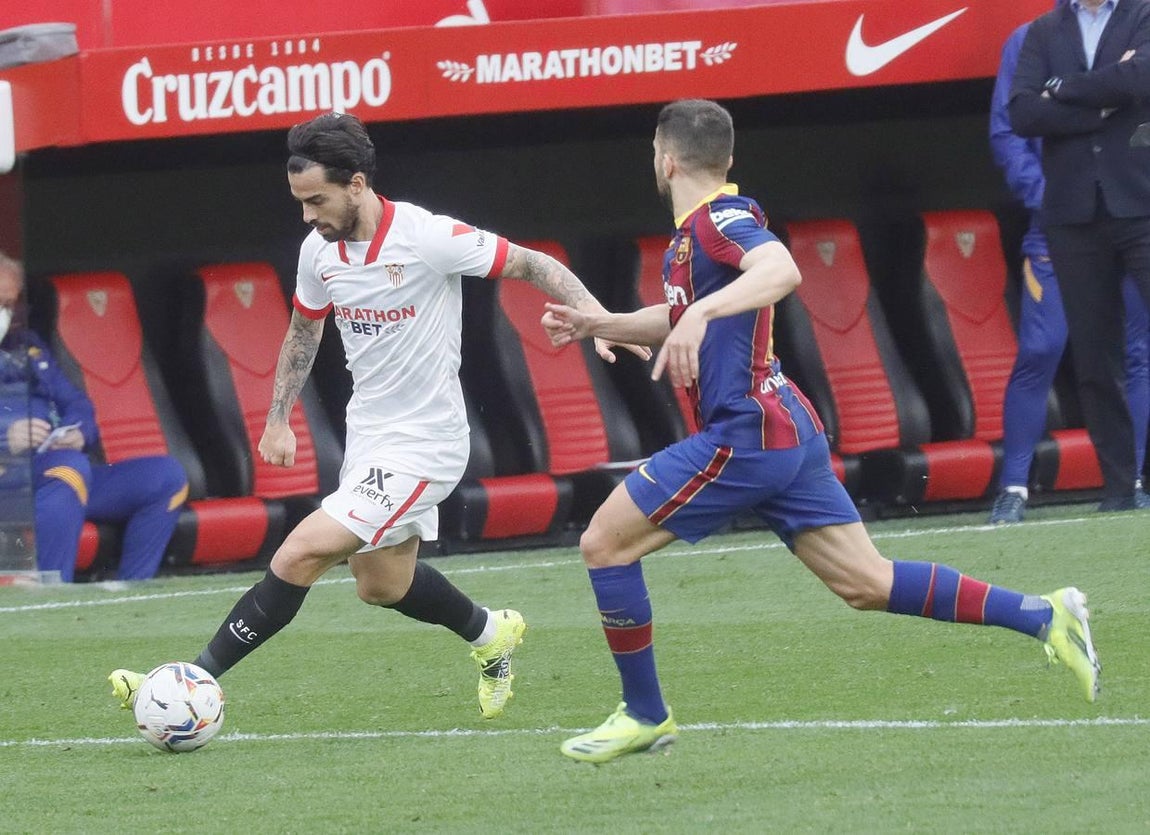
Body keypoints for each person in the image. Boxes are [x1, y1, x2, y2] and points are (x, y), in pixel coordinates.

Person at [541, 99, 1100, 764]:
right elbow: (681, 314)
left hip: (744, 435)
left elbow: (781, 270)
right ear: (726, 157)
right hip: (784, 429)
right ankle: (1045, 614)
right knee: (868, 582)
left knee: (605, 542)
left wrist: (701, 314)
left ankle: (644, 713)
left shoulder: (721, 218)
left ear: (664, 160)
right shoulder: (698, 232)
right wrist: (601, 324)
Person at [109, 112, 642, 720]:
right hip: (371, 437)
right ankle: (490, 633)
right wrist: (277, 418)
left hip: (426, 444)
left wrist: (601, 320)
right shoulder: (319, 251)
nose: (308, 216)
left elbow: (532, 264)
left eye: (317, 200)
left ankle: (184, 682)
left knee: (299, 553)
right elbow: (304, 328)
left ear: (357, 183)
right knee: (380, 585)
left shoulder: (428, 236)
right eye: (300, 202)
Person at [989, 12, 1150, 524]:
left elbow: (1140, 85)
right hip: (1062, 216)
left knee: (1139, 352)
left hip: (1138, 206)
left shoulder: (1143, 15)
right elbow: (1014, 122)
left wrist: (1066, 94)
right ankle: (1019, 486)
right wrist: (1106, 103)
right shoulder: (1033, 33)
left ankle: (1136, 480)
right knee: (1057, 349)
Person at [0, 252, 188, 582]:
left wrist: (77, 431)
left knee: (167, 476)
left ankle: (130, 595)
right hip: (13, 485)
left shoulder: (27, 346)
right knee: (69, 470)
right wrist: (6, 436)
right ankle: (52, 597)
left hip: (58, 473)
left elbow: (77, 403)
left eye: (8, 304)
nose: (4, 313)